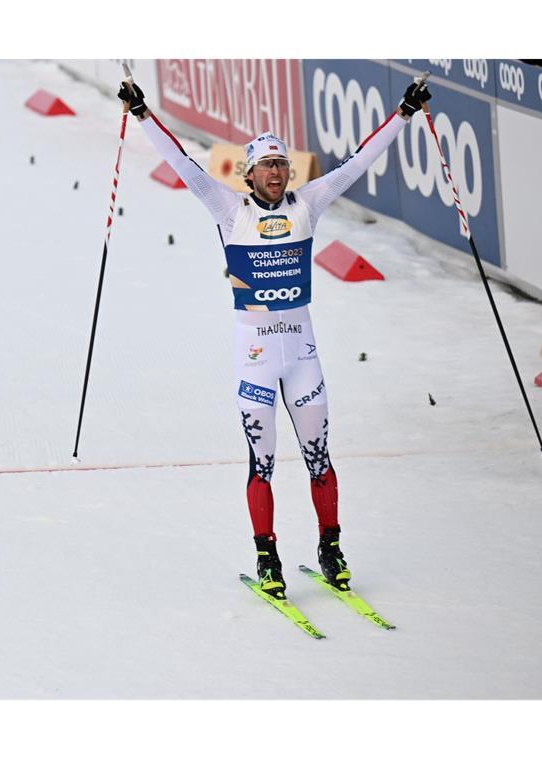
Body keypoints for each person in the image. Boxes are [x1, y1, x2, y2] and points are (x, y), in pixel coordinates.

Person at [118, 76, 431, 599]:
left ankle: (330, 549)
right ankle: (268, 557)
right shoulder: (228, 210)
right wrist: (143, 113)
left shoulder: (307, 203)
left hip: (302, 354)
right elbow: (184, 166)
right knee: (261, 462)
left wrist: (403, 113)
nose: (276, 173)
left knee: (319, 456)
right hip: (257, 357)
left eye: (281, 164)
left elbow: (355, 164)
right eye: (266, 165)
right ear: (249, 172)